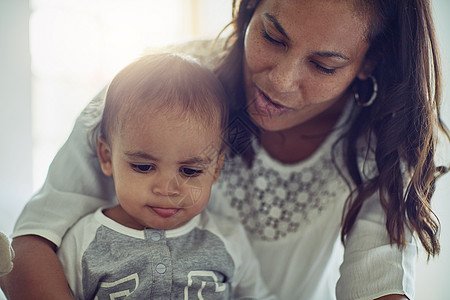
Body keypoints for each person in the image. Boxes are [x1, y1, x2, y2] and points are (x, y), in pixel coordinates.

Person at [1, 0, 448, 299]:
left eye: (323, 64)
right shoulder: (150, 91)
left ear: (370, 61)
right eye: (272, 36)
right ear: (249, 9)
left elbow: (378, 281)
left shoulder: (379, 142)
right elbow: (32, 245)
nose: (279, 80)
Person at [56, 53, 275, 299]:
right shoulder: (82, 243)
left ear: (215, 169)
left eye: (190, 171)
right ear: (107, 157)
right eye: (143, 167)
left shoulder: (227, 239)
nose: (166, 189)